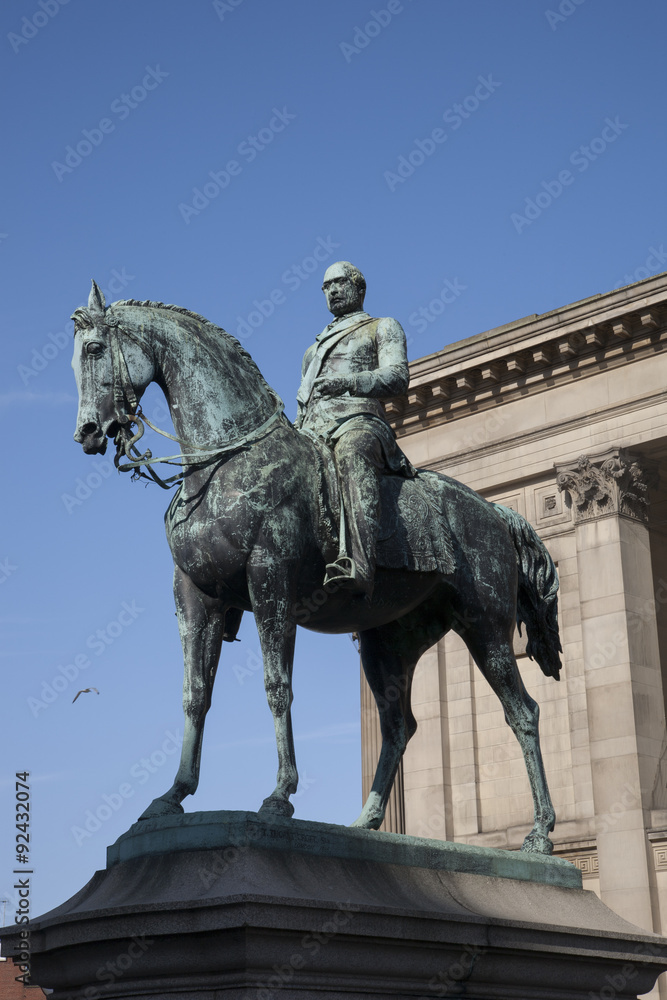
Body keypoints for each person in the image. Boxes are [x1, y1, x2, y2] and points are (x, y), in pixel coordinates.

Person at [294, 261, 414, 599]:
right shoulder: (311, 351)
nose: (331, 290)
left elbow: (397, 378)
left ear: (359, 288)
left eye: (339, 282)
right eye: (325, 286)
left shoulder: (381, 326)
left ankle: (360, 565)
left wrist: (349, 382)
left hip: (359, 421)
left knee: (351, 452)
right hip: (314, 428)